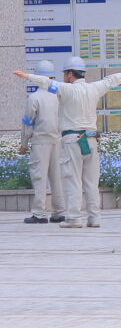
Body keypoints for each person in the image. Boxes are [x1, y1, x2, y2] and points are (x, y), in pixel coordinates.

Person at [15, 58, 121, 228]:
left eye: (64, 73)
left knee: (72, 179)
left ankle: (74, 218)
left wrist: (27, 76)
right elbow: (110, 81)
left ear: (69, 74)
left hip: (72, 139)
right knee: (91, 181)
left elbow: (46, 83)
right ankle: (94, 218)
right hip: (91, 139)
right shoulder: (94, 88)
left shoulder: (66, 89)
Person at [19, 60, 66, 224]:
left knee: (39, 177)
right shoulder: (59, 96)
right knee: (57, 177)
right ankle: (59, 212)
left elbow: (28, 122)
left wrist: (23, 143)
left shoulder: (34, 97)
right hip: (58, 141)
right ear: (52, 76)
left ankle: (39, 214)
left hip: (40, 142)